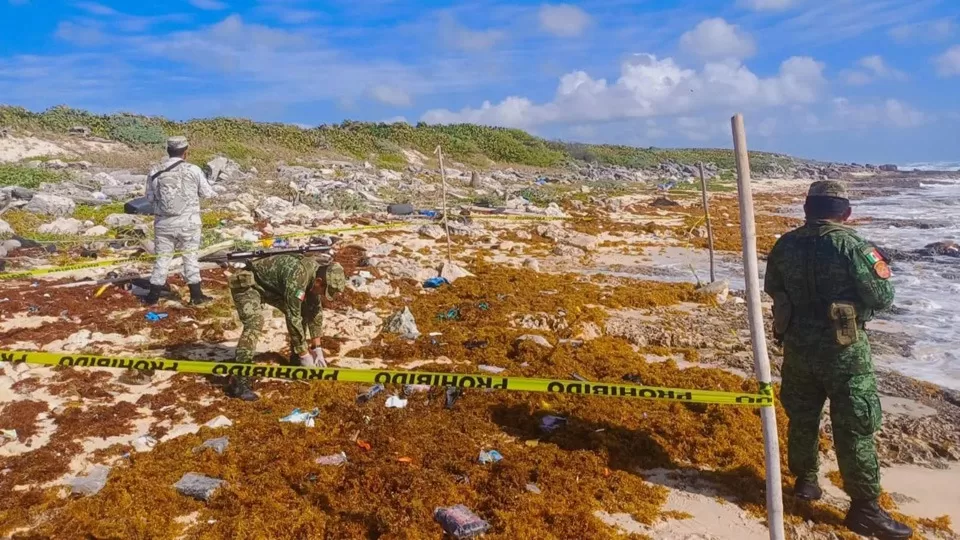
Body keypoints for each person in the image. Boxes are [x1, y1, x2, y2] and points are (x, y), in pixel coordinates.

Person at [764, 180, 911, 539]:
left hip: (798, 346)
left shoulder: (786, 245)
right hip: (844, 352)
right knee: (855, 426)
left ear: (806, 210)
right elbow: (882, 295)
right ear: (846, 213)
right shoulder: (852, 246)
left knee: (801, 418)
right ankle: (864, 509)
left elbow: (774, 287)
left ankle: (806, 483)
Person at [226, 253, 346, 401]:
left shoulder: (314, 276)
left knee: (304, 310)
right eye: (323, 291)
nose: (322, 295)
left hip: (271, 288)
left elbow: (315, 311)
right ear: (319, 282)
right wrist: (305, 354)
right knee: (254, 323)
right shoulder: (298, 277)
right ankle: (240, 379)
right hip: (249, 285)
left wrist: (317, 348)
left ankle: (295, 360)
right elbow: (292, 316)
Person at [144, 136, 215, 306]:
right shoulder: (193, 169)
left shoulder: (155, 170)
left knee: (162, 259)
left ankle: (152, 297)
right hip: (189, 223)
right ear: (185, 153)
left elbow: (149, 198)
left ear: (168, 150)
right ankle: (196, 296)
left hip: (163, 224)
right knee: (190, 257)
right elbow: (208, 193)